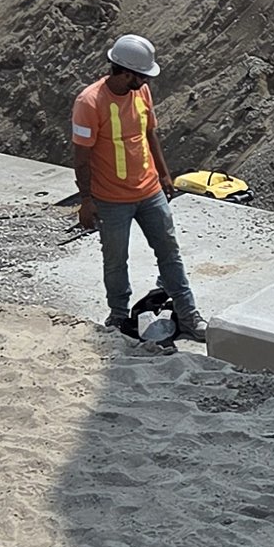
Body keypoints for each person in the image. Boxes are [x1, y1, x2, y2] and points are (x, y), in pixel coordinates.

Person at [70, 33, 205, 344]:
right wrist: (87, 200)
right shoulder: (89, 103)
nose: (147, 81)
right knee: (115, 261)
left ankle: (189, 316)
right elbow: (81, 157)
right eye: (142, 75)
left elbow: (149, 134)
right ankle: (118, 316)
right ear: (126, 72)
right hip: (110, 200)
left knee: (170, 255)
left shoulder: (141, 92)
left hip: (149, 192)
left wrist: (164, 175)